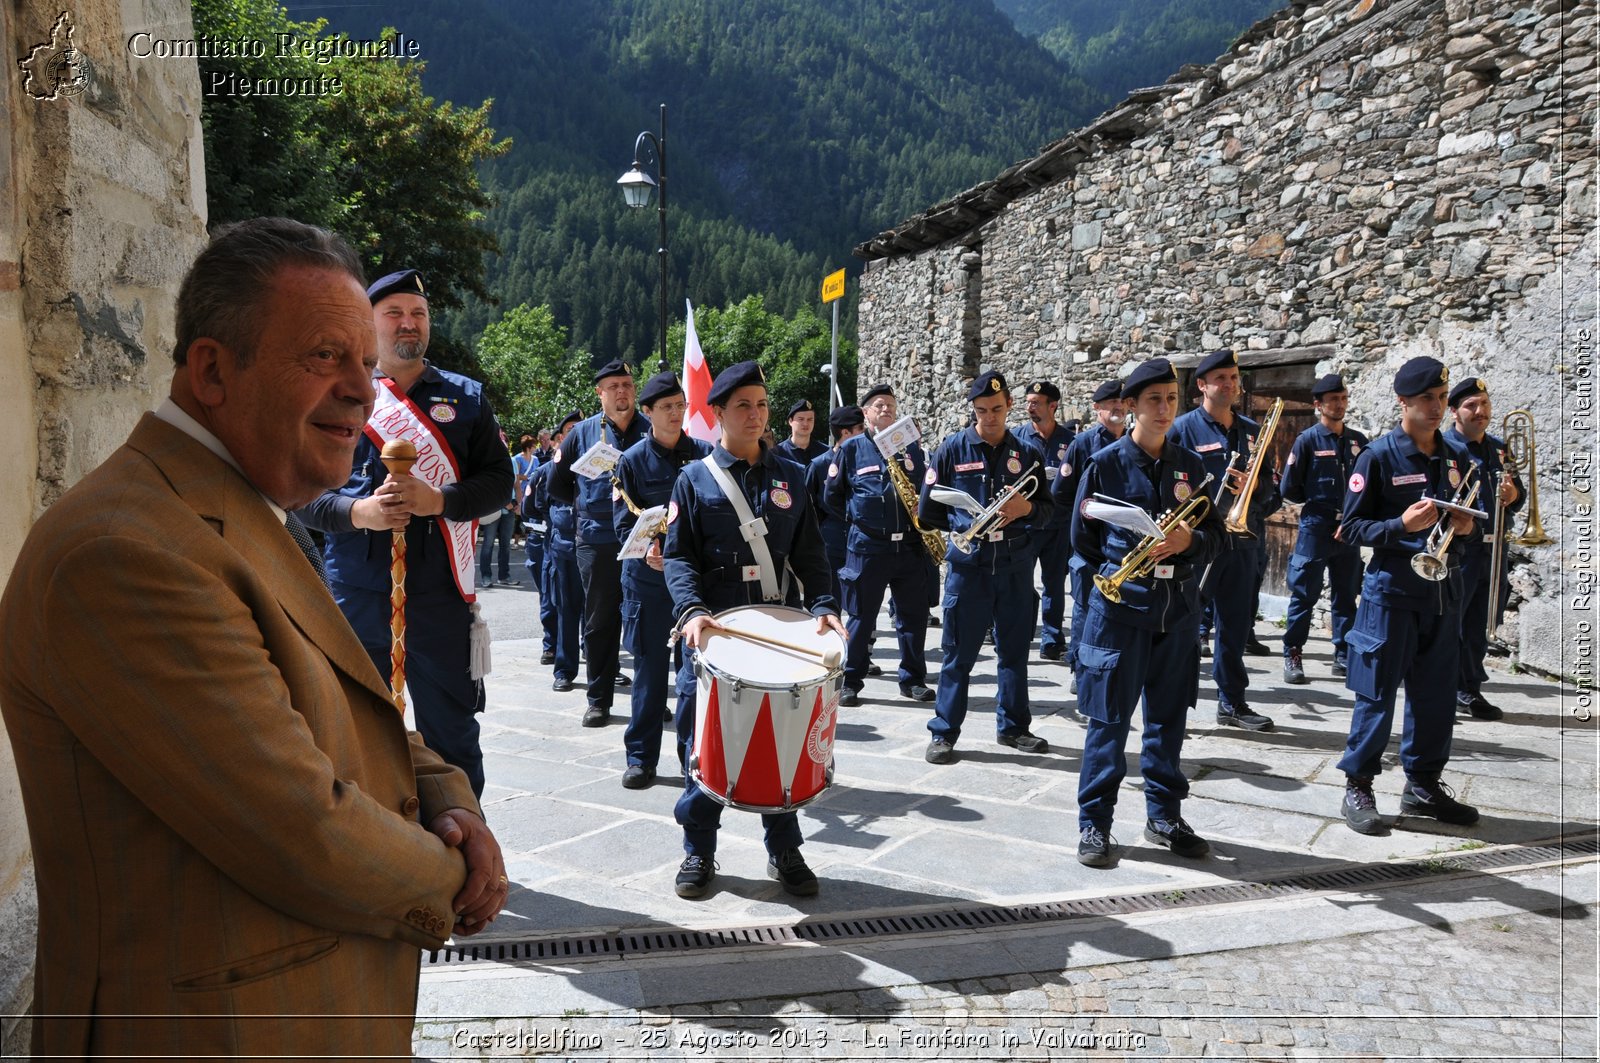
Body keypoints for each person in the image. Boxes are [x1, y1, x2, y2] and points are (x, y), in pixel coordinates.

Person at [0, 218, 507, 1058]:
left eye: (368, 365)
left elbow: (347, 697)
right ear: (212, 370)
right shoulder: (124, 551)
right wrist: (459, 877)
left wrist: (450, 791)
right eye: (324, 357)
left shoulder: (240, 501)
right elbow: (298, 827)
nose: (362, 391)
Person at [299, 268, 514, 798]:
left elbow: (498, 482)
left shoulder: (466, 398)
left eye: (418, 313)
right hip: (358, 593)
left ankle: (467, 852)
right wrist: (360, 513)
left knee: (453, 735)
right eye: (394, 312)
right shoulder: (337, 394)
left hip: (442, 595)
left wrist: (440, 501)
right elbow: (302, 490)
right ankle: (376, 853)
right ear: (369, 324)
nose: (408, 323)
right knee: (355, 731)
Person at [663, 361, 846, 899]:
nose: (756, 414)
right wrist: (692, 611)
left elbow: (811, 552)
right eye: (743, 405)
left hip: (779, 632)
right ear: (717, 413)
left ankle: (784, 847)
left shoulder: (790, 474)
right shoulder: (694, 479)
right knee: (702, 742)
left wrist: (826, 605)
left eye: (762, 404)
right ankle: (699, 847)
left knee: (782, 739)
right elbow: (679, 559)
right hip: (714, 635)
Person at [1070, 358, 1225, 866]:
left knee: (1168, 721)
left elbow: (1216, 536)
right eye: (1153, 400)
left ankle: (1164, 816)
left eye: (1171, 399)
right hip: (1119, 610)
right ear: (1130, 406)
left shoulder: (1191, 465)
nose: (1164, 409)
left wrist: (1189, 540)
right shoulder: (1105, 463)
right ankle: (1095, 823)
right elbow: (1082, 541)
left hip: (1176, 611)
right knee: (1108, 722)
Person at [1336, 356, 1482, 834]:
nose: (1437, 408)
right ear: (1403, 402)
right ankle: (1358, 784)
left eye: (1442, 399)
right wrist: (1400, 525)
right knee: (1375, 695)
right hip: (1391, 593)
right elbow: (1351, 527)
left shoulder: (1456, 456)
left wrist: (1463, 528)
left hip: (1443, 594)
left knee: (1436, 697)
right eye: (1427, 400)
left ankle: (1422, 786)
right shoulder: (1376, 456)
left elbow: (1472, 526)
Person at [918, 370, 1054, 764]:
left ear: (1009, 405)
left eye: (996, 409)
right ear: (973, 410)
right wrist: (965, 525)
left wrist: (1024, 508)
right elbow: (928, 510)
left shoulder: (1027, 454)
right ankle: (943, 733)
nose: (989, 417)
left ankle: (1013, 727)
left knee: (1014, 652)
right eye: (981, 410)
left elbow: (1047, 511)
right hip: (969, 568)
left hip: (1014, 565)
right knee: (958, 655)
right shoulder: (951, 449)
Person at [1168, 350, 1281, 732]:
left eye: (1234, 378)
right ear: (1201, 385)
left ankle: (1232, 702)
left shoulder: (1251, 431)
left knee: (1235, 625)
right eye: (1221, 379)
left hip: (1243, 541)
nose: (1230, 385)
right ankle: (1175, 700)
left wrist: (1255, 486)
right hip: (1199, 542)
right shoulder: (1182, 429)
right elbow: (1169, 484)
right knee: (1183, 623)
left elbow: (1272, 488)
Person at [613, 371, 712, 788]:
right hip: (649, 583)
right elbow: (621, 524)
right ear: (648, 412)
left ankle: (696, 758)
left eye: (680, 405)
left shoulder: (706, 454)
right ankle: (641, 758)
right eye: (666, 407)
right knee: (651, 675)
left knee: (695, 677)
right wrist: (650, 548)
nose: (675, 414)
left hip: (694, 584)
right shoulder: (631, 461)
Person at [823, 383, 937, 705]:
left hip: (909, 548)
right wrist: (859, 517)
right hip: (869, 548)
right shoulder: (852, 449)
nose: (885, 409)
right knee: (860, 618)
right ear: (866, 413)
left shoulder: (912, 448)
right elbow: (832, 497)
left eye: (890, 404)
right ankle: (851, 680)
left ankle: (912, 679)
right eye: (878, 405)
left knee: (912, 618)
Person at [550, 361, 649, 726]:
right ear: (600, 393)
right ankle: (599, 699)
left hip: (642, 538)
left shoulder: (650, 429)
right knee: (600, 621)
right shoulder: (583, 434)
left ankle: (650, 695)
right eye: (614, 386)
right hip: (597, 539)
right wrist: (584, 507)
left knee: (647, 621)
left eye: (627, 384)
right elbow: (557, 484)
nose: (622, 391)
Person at [1280, 374, 1369, 684]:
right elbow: (1289, 487)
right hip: (1317, 526)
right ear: (1318, 405)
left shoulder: (1359, 441)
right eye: (1333, 399)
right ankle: (1293, 651)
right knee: (1304, 593)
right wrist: (1319, 507)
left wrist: (1351, 518)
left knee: (1346, 595)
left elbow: (1368, 487)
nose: (1340, 404)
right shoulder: (1308, 440)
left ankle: (1342, 653)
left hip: (1350, 528)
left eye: (1343, 398)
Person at [1445, 376, 1523, 720]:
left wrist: (1513, 496)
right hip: (1460, 551)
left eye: (1485, 404)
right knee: (1451, 622)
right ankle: (1442, 687)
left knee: (1480, 623)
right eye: (1471, 405)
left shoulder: (1500, 448)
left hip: (1493, 551)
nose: (1481, 411)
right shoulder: (1445, 448)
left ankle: (1469, 688)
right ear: (1454, 412)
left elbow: (1516, 498)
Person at [1053, 379, 1127, 691]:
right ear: (1097, 408)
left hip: (1124, 543)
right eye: (1110, 404)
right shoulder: (1082, 443)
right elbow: (1061, 491)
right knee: (1085, 607)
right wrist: (1087, 515)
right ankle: (1079, 668)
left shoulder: (1135, 441)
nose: (1118, 408)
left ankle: (1115, 665)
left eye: (1122, 403)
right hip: (1090, 543)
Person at [1016, 380, 1076, 661]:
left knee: (1054, 583)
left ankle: (1052, 639)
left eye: (1036, 402)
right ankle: (1020, 632)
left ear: (1053, 406)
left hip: (1058, 524)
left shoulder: (1071, 441)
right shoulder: (1016, 437)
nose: (1029, 407)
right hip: (1027, 523)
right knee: (1020, 583)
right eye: (1028, 402)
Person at [532, 412, 585, 690]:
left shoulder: (599, 466)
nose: (576, 434)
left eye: (580, 429)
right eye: (570, 430)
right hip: (563, 550)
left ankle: (606, 668)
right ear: (560, 438)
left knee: (602, 613)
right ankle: (564, 670)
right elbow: (536, 507)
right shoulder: (548, 470)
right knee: (566, 610)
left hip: (596, 550)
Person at [808, 405, 867, 604]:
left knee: (861, 596)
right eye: (860, 428)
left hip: (861, 537)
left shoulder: (865, 461)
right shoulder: (819, 465)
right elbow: (809, 507)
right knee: (832, 595)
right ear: (845, 432)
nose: (865, 432)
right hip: (832, 538)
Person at [515, 434, 545, 587]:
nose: (535, 448)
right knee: (520, 520)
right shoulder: (517, 459)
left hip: (532, 495)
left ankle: (528, 541)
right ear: (528, 447)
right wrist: (527, 478)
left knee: (530, 521)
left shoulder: (536, 459)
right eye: (533, 446)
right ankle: (522, 542)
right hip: (521, 493)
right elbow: (517, 476)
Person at [775, 397, 828, 465]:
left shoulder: (825, 452)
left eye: (809, 419)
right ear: (790, 421)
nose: (805, 424)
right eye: (801, 419)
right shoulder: (778, 453)